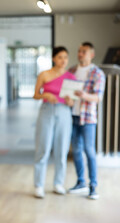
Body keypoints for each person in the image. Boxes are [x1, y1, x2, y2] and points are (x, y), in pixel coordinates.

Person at [33, 46, 76, 198]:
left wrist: (70, 101)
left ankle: (58, 183)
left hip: (64, 112)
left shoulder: (71, 77)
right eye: (60, 57)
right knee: (43, 149)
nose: (63, 60)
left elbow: (72, 101)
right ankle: (38, 185)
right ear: (53, 58)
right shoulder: (44, 74)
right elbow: (35, 95)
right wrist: (46, 95)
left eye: (65, 57)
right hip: (47, 111)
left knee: (62, 150)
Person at [68, 42, 105, 200]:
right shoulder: (72, 71)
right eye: (79, 51)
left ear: (91, 54)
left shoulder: (97, 73)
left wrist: (83, 95)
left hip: (88, 118)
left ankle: (93, 186)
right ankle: (81, 182)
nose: (80, 53)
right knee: (76, 151)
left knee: (89, 151)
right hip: (73, 115)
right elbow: (66, 93)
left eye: (84, 51)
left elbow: (98, 98)